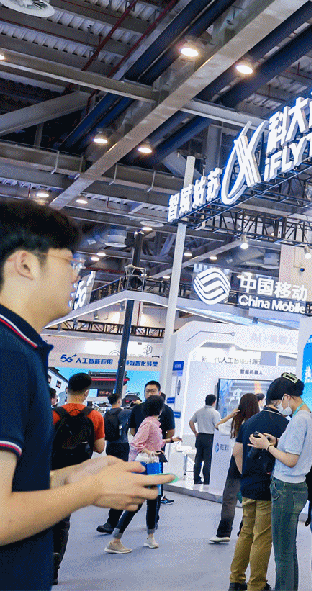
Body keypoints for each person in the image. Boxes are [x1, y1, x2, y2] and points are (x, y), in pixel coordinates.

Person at [0, 199, 169, 591]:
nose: (76, 274)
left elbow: (15, 488)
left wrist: (69, 478)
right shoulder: (8, 355)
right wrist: (89, 490)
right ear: (25, 264)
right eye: (68, 260)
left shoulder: (19, 349)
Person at [248, 373, 312, 591]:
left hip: (286, 488)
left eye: (279, 402)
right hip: (295, 488)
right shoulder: (307, 415)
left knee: (283, 553)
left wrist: (267, 447)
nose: (279, 406)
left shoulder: (299, 420)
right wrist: (276, 441)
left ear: (287, 396)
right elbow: (295, 449)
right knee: (288, 550)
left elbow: (291, 459)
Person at [228, 376, 290, 591]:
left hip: (248, 485)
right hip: (268, 487)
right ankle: (257, 584)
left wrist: (246, 474)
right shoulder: (285, 424)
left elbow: (237, 452)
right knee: (262, 537)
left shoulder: (250, 421)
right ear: (283, 399)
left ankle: (236, 580)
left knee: (246, 532)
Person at [51, 372, 106, 582]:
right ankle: (54, 567)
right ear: (86, 393)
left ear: (67, 390)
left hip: (50, 472)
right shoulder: (95, 416)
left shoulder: (53, 414)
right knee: (62, 521)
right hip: (75, 475)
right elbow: (99, 448)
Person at [106, 393, 169, 554]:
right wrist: (150, 451)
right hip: (146, 465)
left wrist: (168, 442)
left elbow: (153, 443)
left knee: (153, 501)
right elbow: (136, 443)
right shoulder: (149, 423)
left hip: (153, 464)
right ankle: (115, 540)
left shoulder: (153, 423)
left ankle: (150, 537)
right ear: (159, 408)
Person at [211, 393, 260, 544]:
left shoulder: (236, 421)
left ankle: (224, 532)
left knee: (229, 498)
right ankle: (244, 531)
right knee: (249, 499)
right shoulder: (258, 422)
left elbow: (217, 426)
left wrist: (230, 415)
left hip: (236, 461)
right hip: (253, 461)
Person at [189, 394, 221, 485]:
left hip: (200, 437)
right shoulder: (215, 413)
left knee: (198, 459)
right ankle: (207, 480)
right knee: (208, 459)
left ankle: (196, 479)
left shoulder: (199, 411)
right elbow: (217, 426)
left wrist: (195, 432)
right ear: (214, 402)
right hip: (209, 437)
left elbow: (191, 422)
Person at [102, 393, 131, 463]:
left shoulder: (106, 414)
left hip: (110, 445)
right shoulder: (125, 412)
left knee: (111, 467)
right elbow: (137, 412)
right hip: (122, 444)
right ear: (119, 401)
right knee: (123, 467)